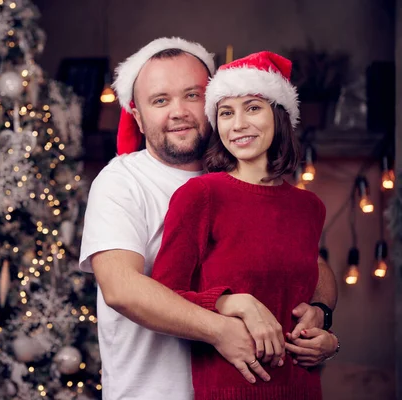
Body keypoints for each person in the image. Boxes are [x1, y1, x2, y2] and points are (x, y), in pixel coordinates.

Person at [79, 38, 338, 400]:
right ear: (137, 115)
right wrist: (220, 327)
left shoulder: (246, 177)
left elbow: (312, 264)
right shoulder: (122, 180)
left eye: (192, 95)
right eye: (160, 100)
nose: (178, 111)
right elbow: (122, 289)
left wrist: (320, 314)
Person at [151, 51, 331, 399]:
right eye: (226, 113)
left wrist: (327, 338)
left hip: (303, 388)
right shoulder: (201, 195)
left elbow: (307, 293)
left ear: (279, 116)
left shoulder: (310, 207)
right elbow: (166, 294)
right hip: (231, 388)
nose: (238, 125)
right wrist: (229, 302)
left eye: (252, 108)